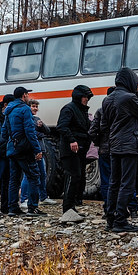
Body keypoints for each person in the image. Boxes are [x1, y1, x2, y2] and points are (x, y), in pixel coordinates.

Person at [101, 68, 138, 234]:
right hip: (129, 145)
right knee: (127, 184)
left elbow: (104, 125)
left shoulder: (107, 99)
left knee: (114, 183)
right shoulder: (129, 98)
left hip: (114, 146)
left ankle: (110, 219)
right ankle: (121, 220)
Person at [89, 90, 138, 223]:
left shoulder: (101, 110)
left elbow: (93, 131)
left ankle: (109, 211)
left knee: (108, 182)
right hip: (121, 149)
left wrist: (98, 143)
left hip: (105, 150)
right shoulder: (126, 108)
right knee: (126, 180)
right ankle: (133, 209)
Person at [3, 86, 43, 216]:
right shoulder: (25, 109)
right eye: (27, 95)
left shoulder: (8, 110)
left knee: (14, 179)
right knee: (34, 176)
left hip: (12, 148)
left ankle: (12, 208)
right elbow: (30, 131)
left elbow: (4, 131)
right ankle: (32, 208)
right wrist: (37, 149)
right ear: (24, 95)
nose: (28, 97)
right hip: (24, 149)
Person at [57, 85, 93, 223]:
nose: (87, 100)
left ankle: (72, 207)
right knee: (73, 176)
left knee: (78, 177)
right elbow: (62, 126)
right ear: (79, 97)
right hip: (70, 149)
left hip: (80, 149)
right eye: (85, 97)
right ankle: (67, 209)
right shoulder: (69, 109)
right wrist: (72, 140)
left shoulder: (82, 111)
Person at [20, 99, 58, 206]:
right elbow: (30, 133)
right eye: (33, 106)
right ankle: (24, 199)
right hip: (31, 151)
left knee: (42, 174)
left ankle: (43, 196)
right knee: (28, 175)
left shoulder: (37, 119)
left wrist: (42, 126)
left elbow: (47, 132)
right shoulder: (25, 118)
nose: (35, 108)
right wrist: (40, 134)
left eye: (36, 106)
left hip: (40, 150)